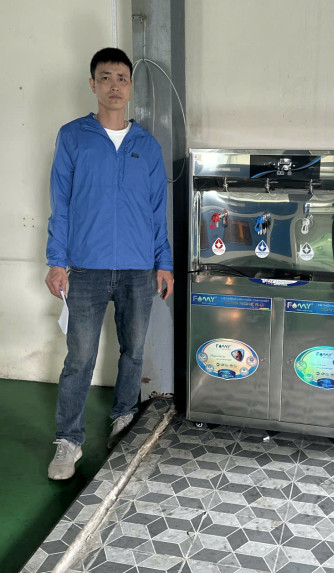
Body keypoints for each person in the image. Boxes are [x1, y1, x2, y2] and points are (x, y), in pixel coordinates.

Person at [45, 48, 174, 480]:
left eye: (121, 78)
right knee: (79, 358)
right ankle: (69, 440)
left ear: (130, 86)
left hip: (138, 269)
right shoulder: (73, 137)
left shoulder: (147, 145)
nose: (114, 86)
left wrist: (163, 263)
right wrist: (56, 261)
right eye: (105, 77)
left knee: (133, 351)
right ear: (93, 84)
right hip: (85, 268)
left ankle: (123, 417)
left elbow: (157, 211)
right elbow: (61, 204)